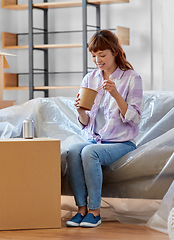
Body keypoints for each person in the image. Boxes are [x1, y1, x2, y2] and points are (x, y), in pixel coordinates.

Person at [65, 29, 143, 228]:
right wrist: (81, 111)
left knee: (90, 152)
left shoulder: (132, 78)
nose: (97, 60)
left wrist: (116, 95)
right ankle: (81, 210)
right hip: (96, 139)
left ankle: (95, 211)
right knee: (73, 151)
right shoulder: (90, 79)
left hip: (122, 142)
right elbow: (85, 122)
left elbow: (134, 119)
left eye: (102, 55)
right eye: (93, 55)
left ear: (115, 52)